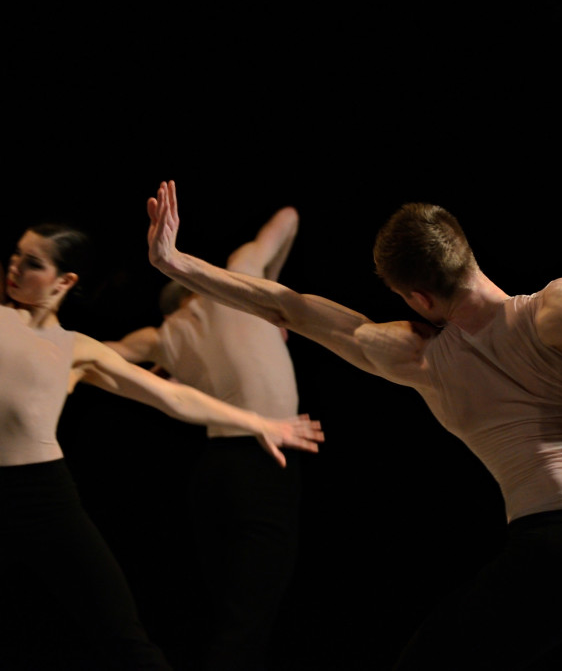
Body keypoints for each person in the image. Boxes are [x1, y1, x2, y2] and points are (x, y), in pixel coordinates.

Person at [145, 182, 562, 670]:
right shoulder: (551, 305)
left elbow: (294, 305)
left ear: (416, 297)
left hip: (547, 553)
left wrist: (180, 265)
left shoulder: (417, 357)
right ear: (465, 248)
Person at [1, 222, 323, 670]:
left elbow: (172, 396)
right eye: (15, 256)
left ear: (64, 281)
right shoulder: (2, 319)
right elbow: (286, 218)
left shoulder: (79, 347)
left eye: (32, 262)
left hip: (42, 495)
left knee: (123, 635)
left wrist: (257, 420)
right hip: (26, 488)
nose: (14, 267)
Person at [105, 207, 304, 670]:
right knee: (249, 621)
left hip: (214, 473)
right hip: (266, 461)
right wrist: (276, 301)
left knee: (222, 616)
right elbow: (288, 217)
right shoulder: (240, 277)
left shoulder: (163, 335)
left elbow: (105, 355)